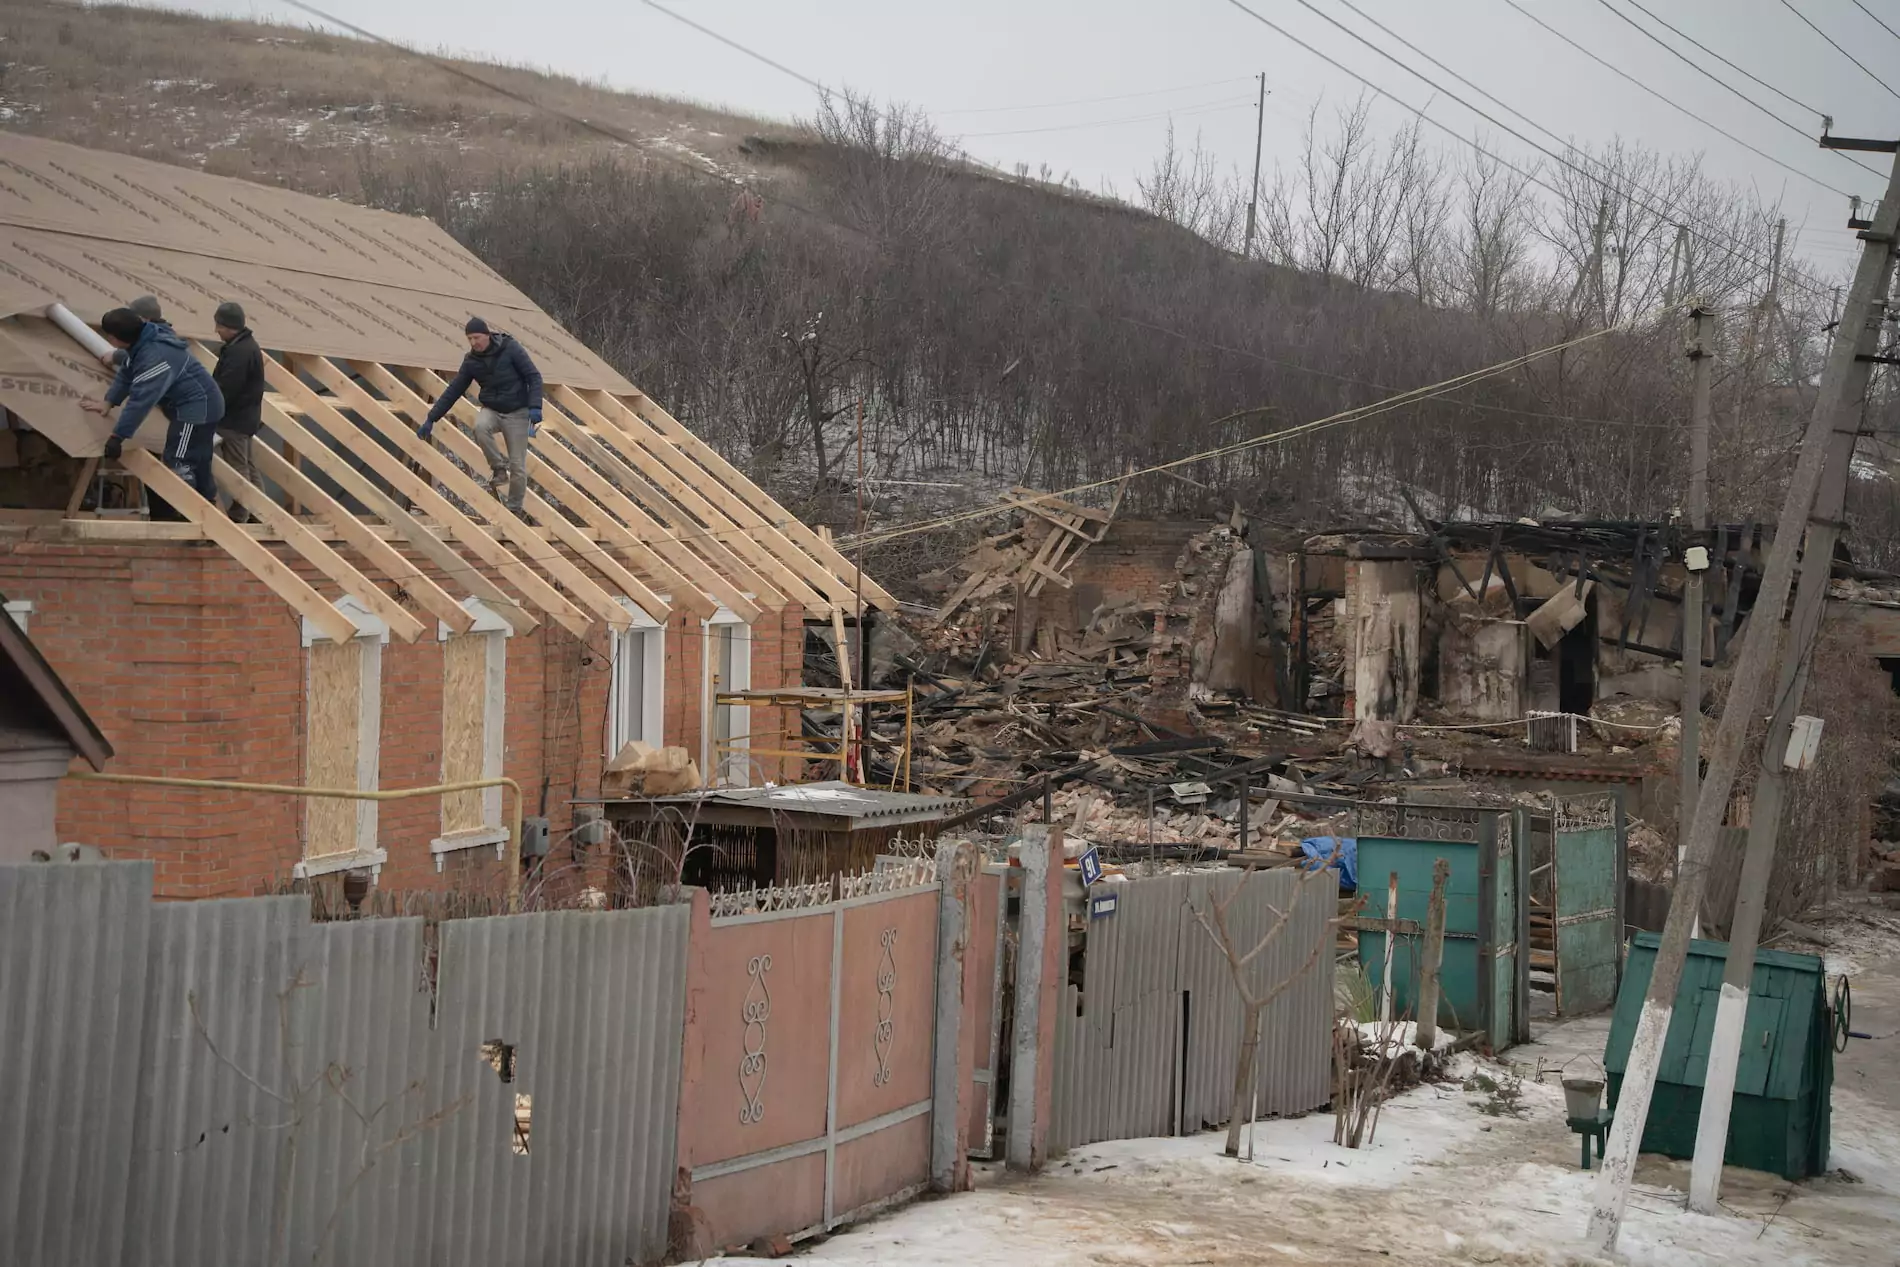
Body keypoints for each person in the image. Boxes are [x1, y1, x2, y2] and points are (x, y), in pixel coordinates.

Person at [81, 308, 225, 511]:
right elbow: (127, 372)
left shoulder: (155, 360)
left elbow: (140, 402)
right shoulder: (146, 339)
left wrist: (117, 436)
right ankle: (208, 506)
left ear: (114, 338)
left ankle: (189, 513)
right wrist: (109, 401)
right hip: (203, 404)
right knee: (199, 459)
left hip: (197, 409)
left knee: (179, 460)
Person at [418, 316, 543, 514]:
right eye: (469, 339)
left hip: (517, 411)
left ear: (487, 335)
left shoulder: (510, 348)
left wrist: (535, 406)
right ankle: (498, 469)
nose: (473, 342)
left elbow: (534, 376)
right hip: (492, 408)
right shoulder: (471, 361)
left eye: (476, 337)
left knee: (518, 466)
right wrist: (431, 418)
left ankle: (514, 509)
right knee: (480, 427)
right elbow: (454, 390)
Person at [210, 301, 265, 522]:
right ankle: (260, 513)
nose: (216, 330)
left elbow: (227, 389)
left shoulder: (239, 352)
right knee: (247, 465)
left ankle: (242, 512)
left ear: (230, 327)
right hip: (244, 419)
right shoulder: (245, 346)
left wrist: (210, 411)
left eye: (219, 326)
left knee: (238, 468)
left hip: (234, 420)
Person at [100, 296, 168, 371]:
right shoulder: (153, 330)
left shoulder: (159, 336)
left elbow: (142, 355)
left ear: (146, 319)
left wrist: (115, 356)